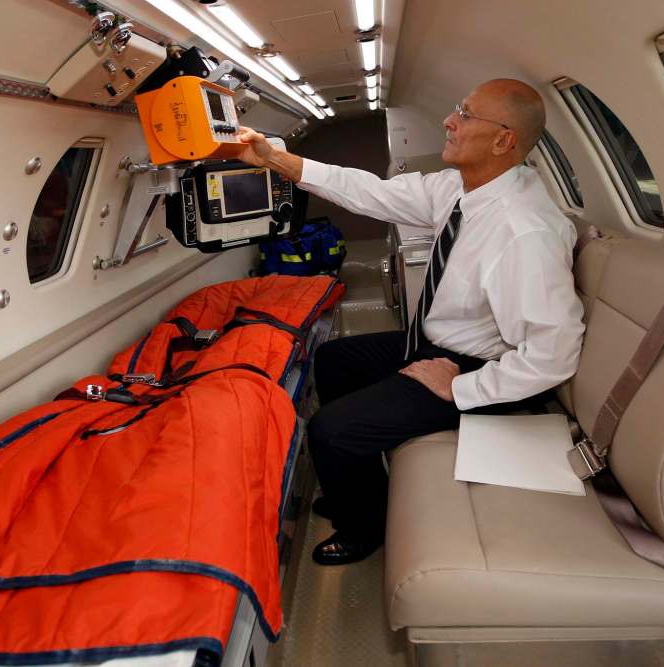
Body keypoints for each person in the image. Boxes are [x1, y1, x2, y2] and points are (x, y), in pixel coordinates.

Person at [235, 78, 585, 565]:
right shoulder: (463, 190)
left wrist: (460, 387)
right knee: (334, 360)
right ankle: (358, 485)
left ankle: (364, 527)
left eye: (465, 114)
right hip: (436, 345)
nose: (449, 121)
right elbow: (373, 193)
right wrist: (277, 159)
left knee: (331, 431)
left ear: (503, 140)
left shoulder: (525, 232)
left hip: (481, 371)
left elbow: (554, 355)